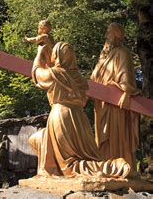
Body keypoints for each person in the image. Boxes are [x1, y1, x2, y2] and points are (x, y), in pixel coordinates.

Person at [29, 42, 130, 178]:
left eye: (54, 54)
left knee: (69, 163)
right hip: (79, 118)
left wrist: (40, 53)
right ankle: (110, 166)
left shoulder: (56, 73)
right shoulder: (80, 79)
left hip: (62, 116)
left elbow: (36, 73)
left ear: (58, 56)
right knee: (79, 156)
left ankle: (112, 167)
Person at [91, 23, 140, 173]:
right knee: (102, 138)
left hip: (116, 105)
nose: (106, 36)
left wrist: (126, 93)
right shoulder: (102, 58)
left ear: (117, 35)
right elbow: (93, 79)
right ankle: (105, 166)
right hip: (101, 105)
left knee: (116, 135)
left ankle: (121, 167)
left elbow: (127, 78)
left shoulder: (122, 53)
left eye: (109, 33)